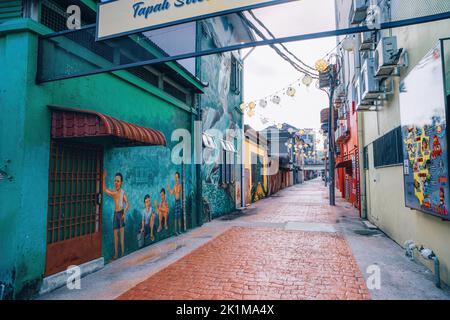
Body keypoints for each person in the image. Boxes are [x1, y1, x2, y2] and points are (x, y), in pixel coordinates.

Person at [103, 171, 129, 260]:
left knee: (121, 235)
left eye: (118, 181)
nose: (116, 183)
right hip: (115, 214)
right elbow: (104, 190)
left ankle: (122, 253)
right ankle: (116, 254)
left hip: (121, 213)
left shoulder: (122, 193)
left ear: (121, 183)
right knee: (115, 236)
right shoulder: (114, 194)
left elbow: (127, 204)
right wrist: (103, 178)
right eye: (115, 181)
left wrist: (124, 213)